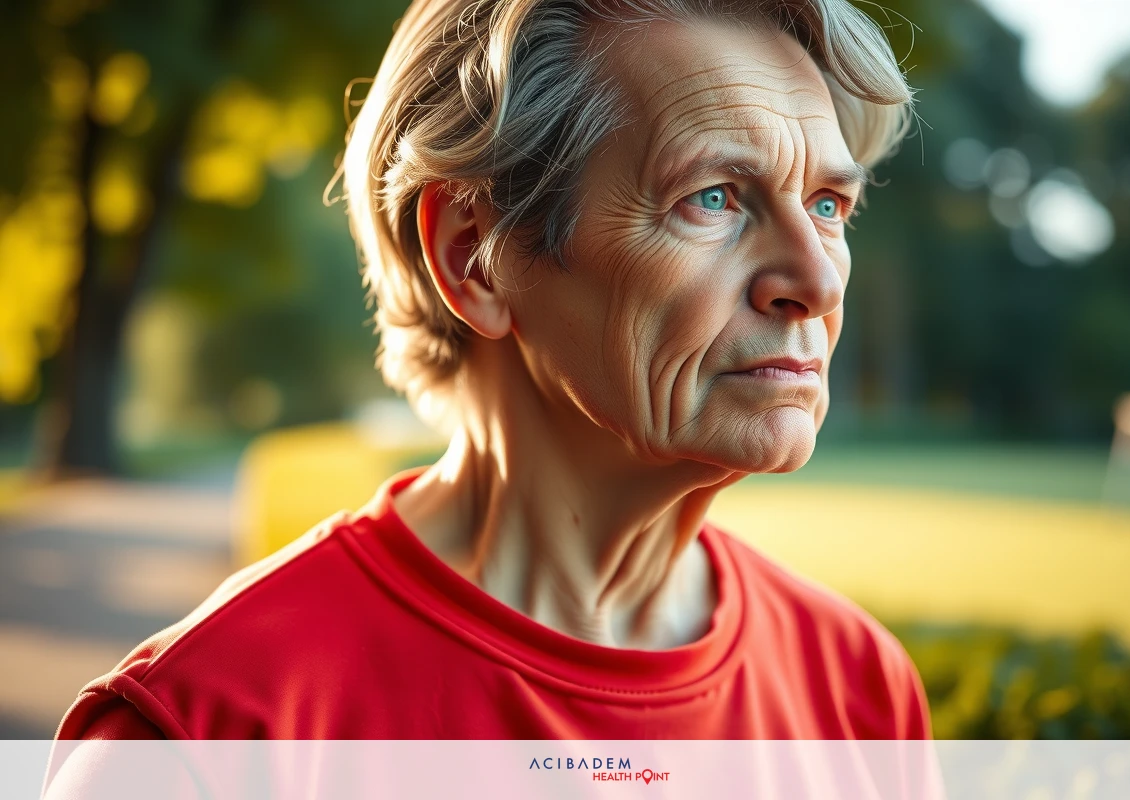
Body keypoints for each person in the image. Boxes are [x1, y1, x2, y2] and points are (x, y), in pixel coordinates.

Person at [55, 0, 930, 740]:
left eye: (827, 204)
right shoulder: (205, 730)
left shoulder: (859, 694)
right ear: (474, 256)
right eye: (714, 197)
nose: (816, 280)